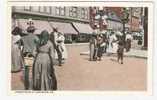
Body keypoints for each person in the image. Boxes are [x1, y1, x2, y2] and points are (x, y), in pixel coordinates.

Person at [18, 25, 39, 90]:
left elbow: (19, 47)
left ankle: (27, 85)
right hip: (32, 54)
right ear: (33, 31)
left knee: (27, 70)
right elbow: (39, 46)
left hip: (25, 53)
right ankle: (34, 85)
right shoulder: (35, 37)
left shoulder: (23, 38)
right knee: (34, 69)